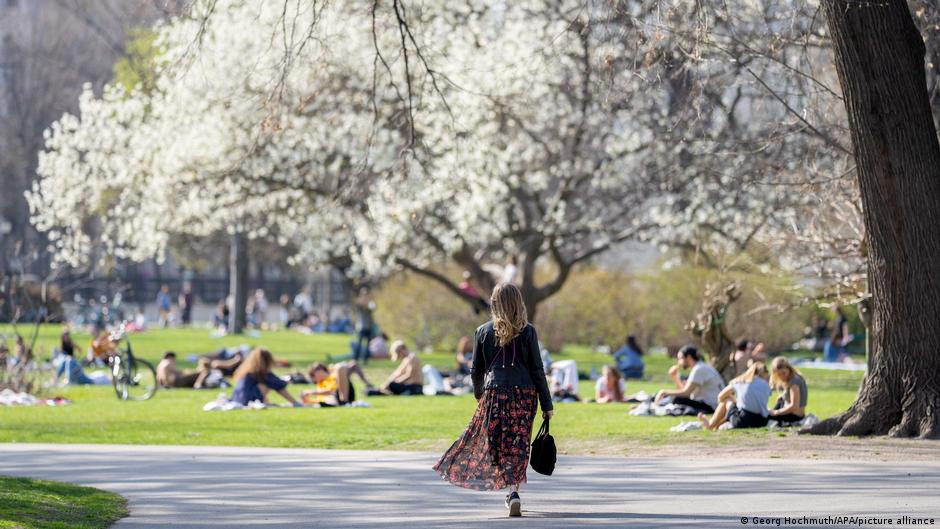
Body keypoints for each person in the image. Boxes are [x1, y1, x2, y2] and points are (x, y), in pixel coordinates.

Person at [434, 283, 554, 517]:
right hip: (524, 395)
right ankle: (513, 491)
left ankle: (509, 492)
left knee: (497, 444)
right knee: (518, 443)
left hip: (495, 393)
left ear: (494, 303)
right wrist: (547, 405)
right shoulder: (528, 332)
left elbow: (476, 370)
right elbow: (538, 370)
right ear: (518, 302)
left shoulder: (482, 331)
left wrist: (480, 395)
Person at [698, 362, 772, 430]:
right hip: (761, 422)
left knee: (727, 399)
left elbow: (720, 397)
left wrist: (733, 402)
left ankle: (710, 425)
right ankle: (717, 425)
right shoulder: (766, 385)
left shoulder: (741, 380)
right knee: (735, 408)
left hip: (743, 422)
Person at [655, 345, 725, 413]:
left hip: (710, 406)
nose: (679, 362)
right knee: (673, 397)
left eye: (680, 358)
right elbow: (685, 390)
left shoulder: (699, 369)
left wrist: (664, 392)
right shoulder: (700, 366)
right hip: (709, 404)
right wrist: (675, 377)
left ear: (688, 357)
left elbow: (686, 393)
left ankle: (658, 404)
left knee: (676, 399)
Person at [229, 347, 302, 406]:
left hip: (237, 399)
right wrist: (294, 402)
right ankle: (264, 401)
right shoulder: (261, 372)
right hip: (247, 400)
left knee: (266, 383)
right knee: (266, 384)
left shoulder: (247, 372)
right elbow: (279, 387)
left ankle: (265, 401)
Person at [302, 361, 374, 406]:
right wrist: (308, 397)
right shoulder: (320, 383)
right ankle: (344, 402)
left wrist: (366, 382)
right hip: (336, 398)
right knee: (340, 367)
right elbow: (328, 393)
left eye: (313, 374)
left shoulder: (333, 374)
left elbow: (354, 364)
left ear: (320, 370)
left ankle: (345, 401)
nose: (313, 378)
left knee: (340, 367)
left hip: (344, 393)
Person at [768, 356, 809, 423]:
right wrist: (783, 396)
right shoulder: (793, 377)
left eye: (783, 373)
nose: (782, 376)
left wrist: (776, 412)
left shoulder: (794, 382)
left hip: (794, 416)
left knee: (764, 416)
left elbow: (794, 406)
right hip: (789, 412)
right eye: (779, 374)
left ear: (788, 369)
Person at [352, 287, 377, 363]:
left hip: (369, 327)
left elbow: (373, 308)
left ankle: (365, 359)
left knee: (368, 345)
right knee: (359, 344)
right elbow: (358, 306)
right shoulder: (359, 303)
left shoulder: (370, 303)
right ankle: (355, 359)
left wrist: (368, 302)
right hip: (361, 327)